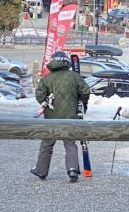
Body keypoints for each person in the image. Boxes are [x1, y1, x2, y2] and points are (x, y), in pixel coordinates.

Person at [30, 50, 90, 183]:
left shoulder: (46, 79)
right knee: (70, 144)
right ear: (66, 62)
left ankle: (41, 170)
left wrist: (45, 102)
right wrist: (81, 100)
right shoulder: (74, 76)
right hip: (71, 116)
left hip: (51, 117)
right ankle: (72, 170)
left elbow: (39, 95)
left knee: (47, 144)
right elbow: (85, 91)